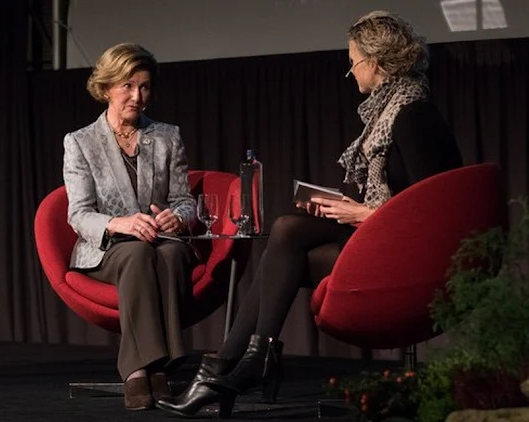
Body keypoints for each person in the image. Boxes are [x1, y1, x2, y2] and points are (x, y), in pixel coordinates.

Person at [156, 10, 462, 418]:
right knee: (284, 246)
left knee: (285, 235)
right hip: (386, 239)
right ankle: (229, 369)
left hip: (410, 256)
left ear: (373, 62)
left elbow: (436, 211)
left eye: (352, 62)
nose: (350, 72)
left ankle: (229, 369)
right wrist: (345, 209)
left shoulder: (412, 115)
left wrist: (365, 214)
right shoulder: (392, 111)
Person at [62, 42, 197, 411]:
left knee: (170, 254)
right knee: (137, 253)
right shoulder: (81, 143)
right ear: (107, 87)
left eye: (145, 87)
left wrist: (178, 216)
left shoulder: (168, 136)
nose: (138, 96)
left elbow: (185, 200)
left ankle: (154, 367)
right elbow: (79, 213)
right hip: (109, 248)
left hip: (162, 239)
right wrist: (120, 223)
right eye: (128, 86)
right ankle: (143, 368)